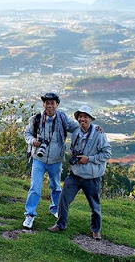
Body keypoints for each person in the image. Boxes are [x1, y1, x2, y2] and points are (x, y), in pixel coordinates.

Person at [48, 105, 111, 240]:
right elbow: (73, 147)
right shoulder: (76, 132)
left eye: (85, 117)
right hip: (75, 174)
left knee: (95, 206)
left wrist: (89, 159)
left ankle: (96, 230)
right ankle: (60, 224)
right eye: (80, 117)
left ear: (90, 119)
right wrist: (73, 154)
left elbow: (107, 154)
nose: (82, 119)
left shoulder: (99, 135)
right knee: (63, 200)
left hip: (92, 177)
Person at [23, 92, 79, 229]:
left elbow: (79, 127)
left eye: (52, 103)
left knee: (56, 186)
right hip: (38, 158)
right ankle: (30, 215)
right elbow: (27, 133)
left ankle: (56, 209)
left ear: (57, 105)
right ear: (43, 104)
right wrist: (33, 141)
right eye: (47, 103)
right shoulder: (36, 119)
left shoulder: (63, 119)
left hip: (56, 159)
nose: (49, 106)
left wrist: (95, 129)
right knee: (35, 187)